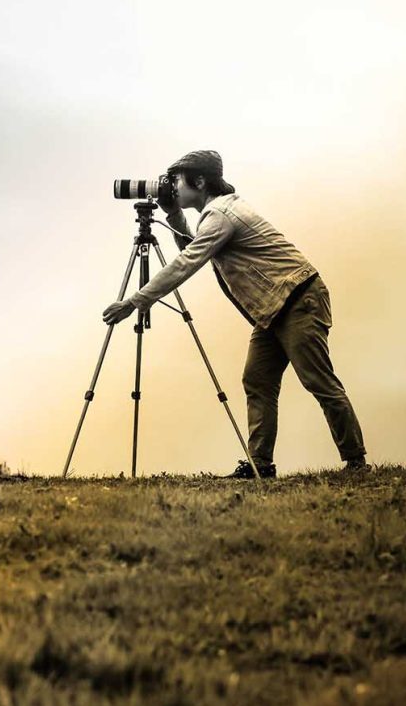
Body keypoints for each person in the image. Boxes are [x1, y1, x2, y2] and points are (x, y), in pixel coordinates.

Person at [100, 150, 366, 478]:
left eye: (176, 181)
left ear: (199, 181)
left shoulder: (221, 215)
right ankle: (260, 465)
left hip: (298, 299)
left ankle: (356, 461)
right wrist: (173, 217)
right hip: (275, 307)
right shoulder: (219, 213)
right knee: (257, 380)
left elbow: (187, 262)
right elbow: (197, 248)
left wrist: (135, 301)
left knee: (318, 380)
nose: (171, 188)